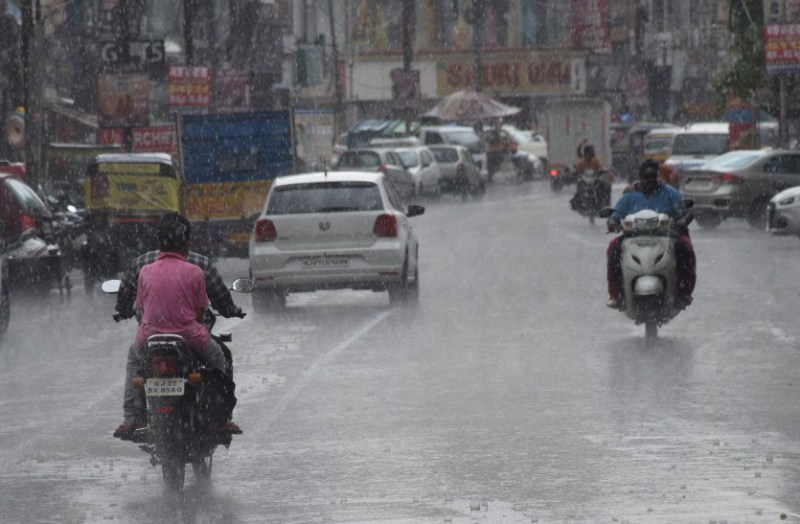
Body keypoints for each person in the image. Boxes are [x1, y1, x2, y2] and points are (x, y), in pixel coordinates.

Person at [113, 213, 243, 439]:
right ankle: (222, 417)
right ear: (186, 244)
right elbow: (202, 310)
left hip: (150, 337)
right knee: (221, 360)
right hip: (189, 336)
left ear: (159, 241)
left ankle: (131, 418)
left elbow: (139, 305)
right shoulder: (196, 269)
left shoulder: (143, 269)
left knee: (134, 362)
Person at [606, 159, 696, 309]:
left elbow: (688, 211)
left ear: (658, 176)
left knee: (685, 248)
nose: (650, 181)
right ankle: (616, 295)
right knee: (613, 248)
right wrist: (612, 223)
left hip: (666, 237)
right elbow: (615, 215)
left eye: (653, 176)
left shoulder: (669, 193)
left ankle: (683, 293)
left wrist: (684, 220)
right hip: (633, 239)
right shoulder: (629, 196)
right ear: (640, 177)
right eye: (646, 177)